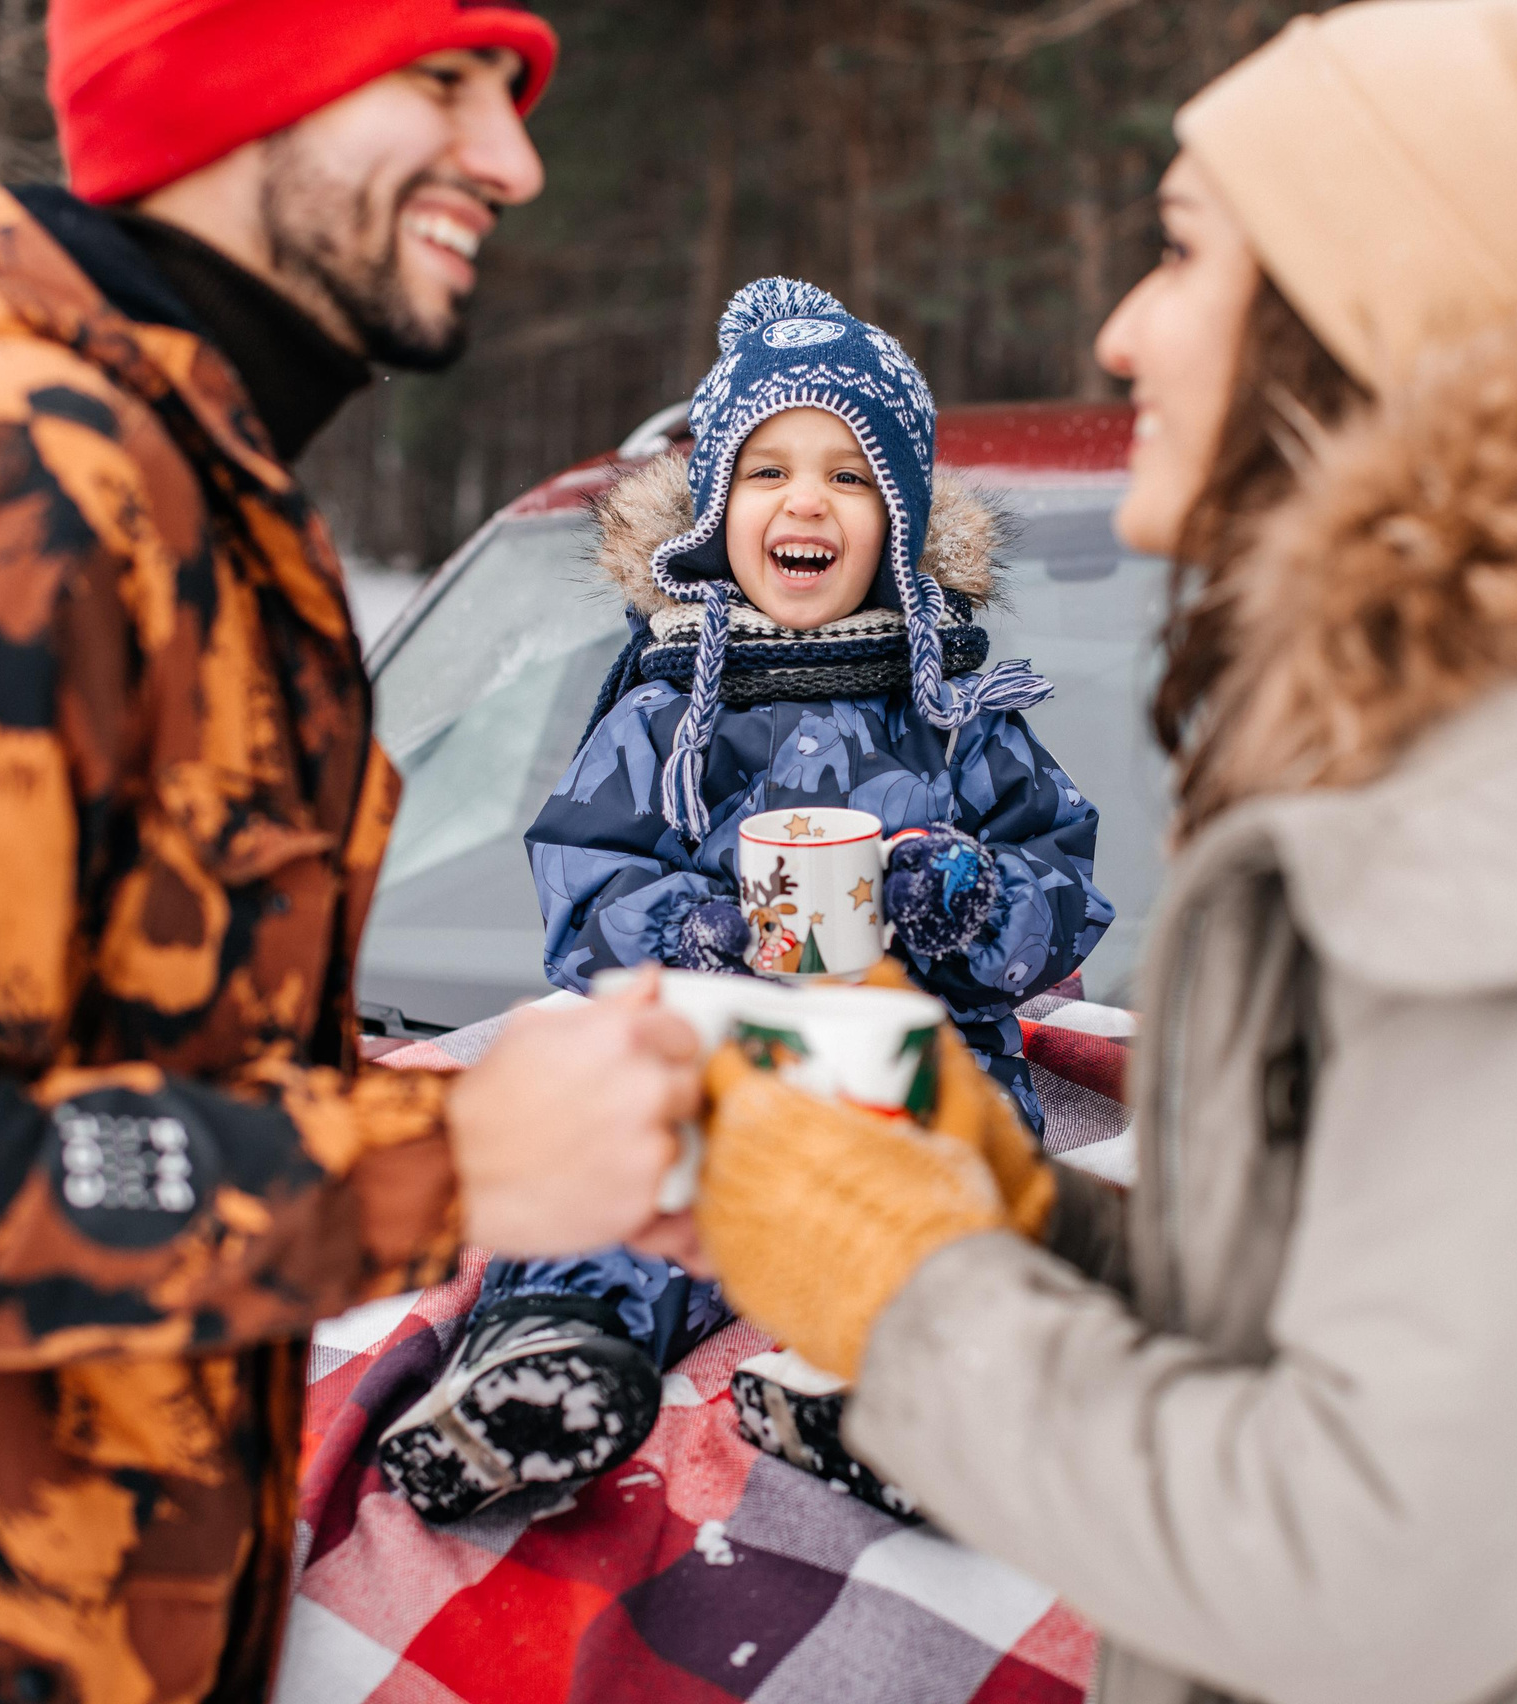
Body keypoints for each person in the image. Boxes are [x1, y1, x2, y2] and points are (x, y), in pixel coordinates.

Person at [689, 0, 1517, 1699]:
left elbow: (1379, 1566)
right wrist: (1024, 1224)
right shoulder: (1496, 749)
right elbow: (1417, 1344)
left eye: (1178, 254)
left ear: (1358, 302)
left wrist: (913, 1291)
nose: (1122, 328)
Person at [0, 4, 703, 1700]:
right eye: (445, 81)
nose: (512, 160)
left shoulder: (175, 483)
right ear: (244, 80)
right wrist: (446, 1163)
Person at [375, 277, 1112, 1522]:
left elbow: (1063, 891)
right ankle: (546, 1364)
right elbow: (583, 880)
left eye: (849, 473)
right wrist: (692, 931)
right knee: (623, 1170)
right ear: (719, 510)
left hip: (916, 1061)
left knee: (947, 1195)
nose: (805, 501)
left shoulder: (957, 714)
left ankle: (907, 1393)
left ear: (902, 513)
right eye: (767, 471)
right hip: (709, 1054)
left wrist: (964, 902)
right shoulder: (667, 710)